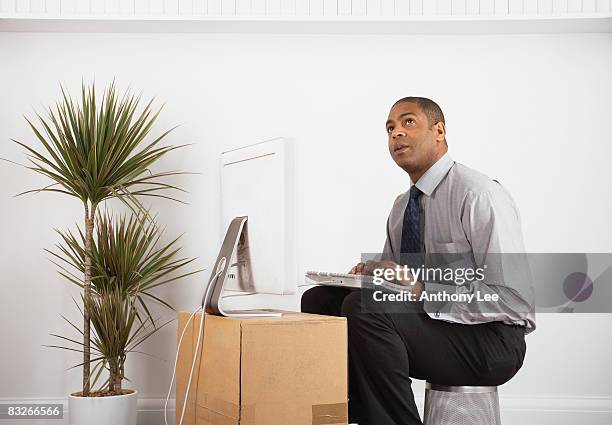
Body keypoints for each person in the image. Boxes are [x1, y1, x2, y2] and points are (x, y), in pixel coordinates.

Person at [300, 97, 536, 425]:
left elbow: (513, 300)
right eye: (390, 128)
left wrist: (423, 289)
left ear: (439, 131)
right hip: (433, 328)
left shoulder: (478, 194)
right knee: (321, 301)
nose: (396, 133)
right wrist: (370, 275)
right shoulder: (402, 207)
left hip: (491, 341)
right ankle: (345, 414)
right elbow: (390, 291)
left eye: (408, 122)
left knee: (364, 309)